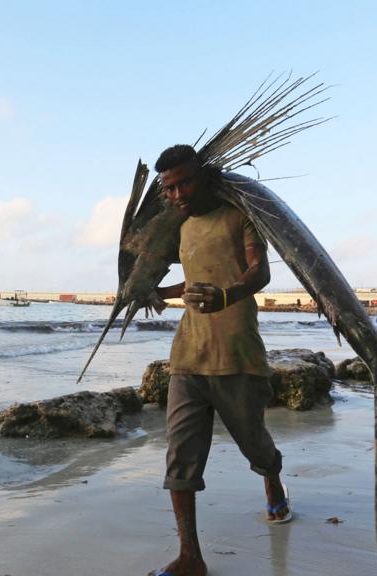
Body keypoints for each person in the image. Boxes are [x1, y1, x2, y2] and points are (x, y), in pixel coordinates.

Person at [149, 144, 288, 576]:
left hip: (237, 356)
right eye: (169, 188)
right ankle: (191, 556)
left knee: (256, 445)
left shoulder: (238, 214)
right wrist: (155, 293)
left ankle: (272, 479)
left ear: (204, 176)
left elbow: (259, 273)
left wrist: (226, 295)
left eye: (184, 182)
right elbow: (194, 280)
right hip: (188, 357)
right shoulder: (183, 228)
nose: (177, 195)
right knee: (180, 455)